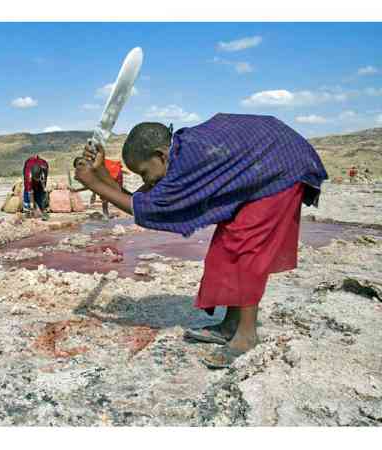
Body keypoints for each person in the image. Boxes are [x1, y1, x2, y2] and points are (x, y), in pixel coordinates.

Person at [74, 113, 328, 369]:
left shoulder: (189, 162)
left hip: (280, 167)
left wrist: (92, 182)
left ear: (161, 156)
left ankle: (246, 336)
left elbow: (150, 209)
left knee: (246, 246)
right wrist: (100, 173)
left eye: (143, 172)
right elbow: (144, 199)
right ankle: (230, 324)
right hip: (261, 163)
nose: (145, 181)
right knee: (227, 245)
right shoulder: (178, 153)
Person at [23, 155, 49, 220]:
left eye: (38, 178)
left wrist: (44, 191)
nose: (37, 180)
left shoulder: (44, 166)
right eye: (35, 178)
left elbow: (44, 184)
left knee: (41, 198)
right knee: (28, 200)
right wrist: (31, 205)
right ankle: (28, 211)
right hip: (29, 165)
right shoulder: (28, 177)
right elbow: (30, 192)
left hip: (40, 166)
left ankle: (43, 209)